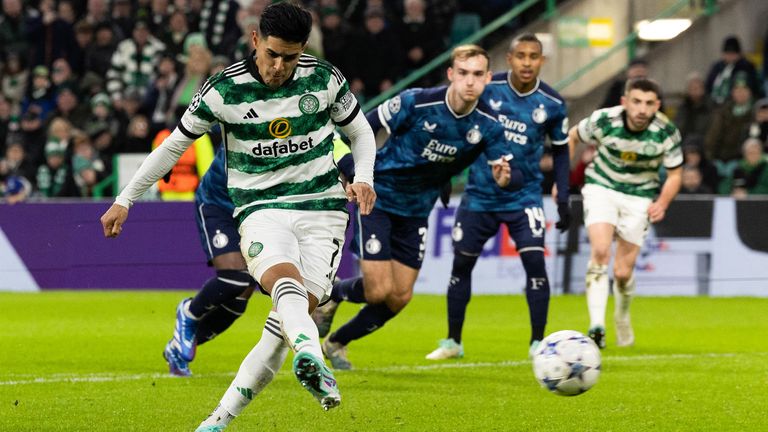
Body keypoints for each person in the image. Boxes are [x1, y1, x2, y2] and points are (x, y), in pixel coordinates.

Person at [99, 3, 377, 428]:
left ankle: (217, 421)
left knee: (289, 317)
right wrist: (125, 198)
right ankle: (311, 356)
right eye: (272, 54)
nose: (280, 66)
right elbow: (174, 146)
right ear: (254, 41)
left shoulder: (323, 78)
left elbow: (359, 132)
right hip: (259, 207)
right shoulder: (222, 90)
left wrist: (364, 177)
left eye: (291, 56)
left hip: (324, 208)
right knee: (282, 282)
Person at [312, 44, 521, 370]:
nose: (470, 81)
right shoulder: (416, 102)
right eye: (463, 73)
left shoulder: (490, 125)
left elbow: (508, 174)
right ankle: (333, 295)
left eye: (478, 75)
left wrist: (504, 177)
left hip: (418, 211)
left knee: (399, 298)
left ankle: (337, 342)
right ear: (451, 74)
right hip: (379, 198)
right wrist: (351, 170)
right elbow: (364, 127)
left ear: (488, 78)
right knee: (379, 290)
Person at [424, 33, 571, 361]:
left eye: (534, 56)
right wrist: (443, 174)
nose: (527, 62)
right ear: (510, 58)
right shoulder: (487, 89)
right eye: (521, 55)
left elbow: (561, 153)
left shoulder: (553, 104)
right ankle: (453, 342)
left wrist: (563, 197)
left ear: (542, 61)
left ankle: (537, 343)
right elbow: (457, 127)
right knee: (462, 264)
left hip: (525, 196)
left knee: (534, 262)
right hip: (479, 194)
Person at [568, 78, 683, 349]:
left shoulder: (665, 131)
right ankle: (597, 326)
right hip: (602, 186)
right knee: (600, 251)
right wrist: (561, 180)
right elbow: (572, 136)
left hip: (639, 196)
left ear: (657, 106)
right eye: (636, 102)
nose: (642, 109)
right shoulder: (605, 120)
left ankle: (621, 315)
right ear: (624, 102)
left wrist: (662, 203)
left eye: (649, 103)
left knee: (622, 272)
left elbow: (675, 174)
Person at [161, 146, 256, 377]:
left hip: (252, 207)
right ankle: (189, 312)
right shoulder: (244, 115)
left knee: (244, 291)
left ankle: (176, 347)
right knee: (235, 278)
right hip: (219, 202)